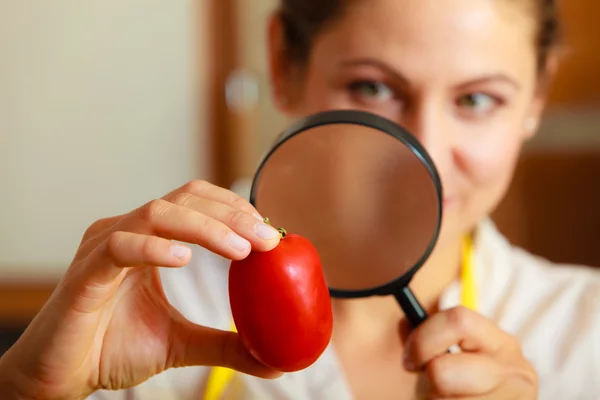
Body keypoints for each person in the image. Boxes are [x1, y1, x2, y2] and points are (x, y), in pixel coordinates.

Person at [1, 0, 599, 398]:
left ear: (537, 98)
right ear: (284, 63)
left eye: (476, 100)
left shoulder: (584, 334)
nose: (425, 157)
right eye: (374, 87)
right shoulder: (152, 296)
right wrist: (31, 389)